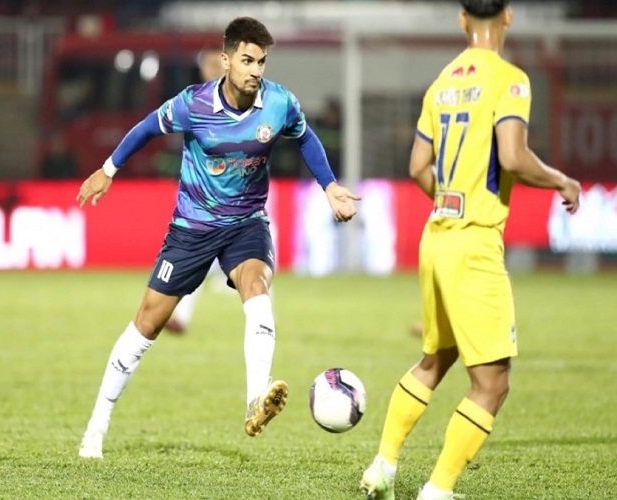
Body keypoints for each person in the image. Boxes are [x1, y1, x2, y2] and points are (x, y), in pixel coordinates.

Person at [76, 16, 360, 459]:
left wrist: (329, 186)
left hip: (246, 224)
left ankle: (255, 400)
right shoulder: (193, 104)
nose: (255, 70)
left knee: (257, 288)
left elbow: (305, 138)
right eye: (247, 60)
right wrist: (108, 170)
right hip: (192, 229)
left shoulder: (279, 103)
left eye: (261, 62)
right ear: (226, 61)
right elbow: (148, 127)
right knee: (147, 323)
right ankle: (96, 427)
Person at [359, 1, 581, 499]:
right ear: (508, 16)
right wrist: (560, 180)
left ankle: (383, 466)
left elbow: (418, 167)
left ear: (462, 19)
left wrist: (449, 201)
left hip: (436, 238)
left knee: (435, 359)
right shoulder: (510, 80)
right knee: (492, 383)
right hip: (475, 243)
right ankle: (438, 491)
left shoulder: (441, 84)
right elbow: (513, 156)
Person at [164, 45, 230, 335]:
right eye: (208, 65)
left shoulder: (243, 100)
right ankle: (181, 316)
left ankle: (265, 316)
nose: (212, 70)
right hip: (205, 199)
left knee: (257, 255)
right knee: (200, 259)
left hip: (238, 195)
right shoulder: (194, 102)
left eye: (217, 64)